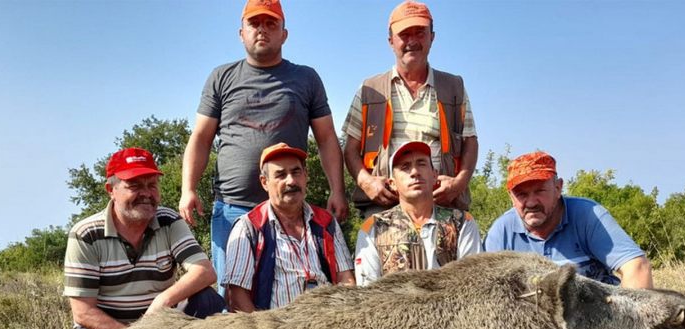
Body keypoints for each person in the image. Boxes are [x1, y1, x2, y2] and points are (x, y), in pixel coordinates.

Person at [180, 0, 347, 293]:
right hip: (232, 208)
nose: (262, 30)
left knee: (294, 292)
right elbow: (201, 138)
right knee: (232, 299)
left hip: (289, 211)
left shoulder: (306, 78)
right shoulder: (222, 77)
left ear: (284, 34)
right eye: (254, 24)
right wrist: (188, 189)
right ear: (241, 33)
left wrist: (337, 190)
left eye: (271, 24)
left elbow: (327, 138)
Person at [483, 150, 655, 329]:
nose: (531, 201)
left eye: (539, 190)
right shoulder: (501, 231)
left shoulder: (588, 215)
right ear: (511, 197)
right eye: (522, 194)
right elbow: (487, 301)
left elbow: (637, 267)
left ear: (559, 187)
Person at [64, 147, 224, 329]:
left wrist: (163, 301)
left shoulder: (169, 221)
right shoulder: (86, 234)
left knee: (207, 299)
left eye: (152, 185)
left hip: (158, 324)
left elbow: (204, 272)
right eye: (135, 186)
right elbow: (84, 313)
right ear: (111, 190)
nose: (146, 193)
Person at [342, 0, 478, 220]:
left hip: (442, 202)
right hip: (384, 205)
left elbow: (470, 141)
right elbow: (350, 148)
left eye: (420, 33)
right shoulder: (369, 89)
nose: (412, 41)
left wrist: (459, 184)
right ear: (391, 41)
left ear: (432, 37)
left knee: (456, 254)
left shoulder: (454, 87)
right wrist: (367, 183)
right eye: (404, 34)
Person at [224, 143, 355, 311]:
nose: (291, 181)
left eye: (296, 172)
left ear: (306, 175)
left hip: (326, 326)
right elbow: (236, 297)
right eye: (280, 175)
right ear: (265, 182)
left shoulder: (326, 221)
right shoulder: (248, 227)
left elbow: (345, 279)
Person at [355, 141, 481, 286]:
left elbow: (473, 285)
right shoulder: (372, 229)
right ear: (392, 183)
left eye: (421, 163)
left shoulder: (463, 222)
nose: (415, 172)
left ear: (434, 175)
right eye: (405, 167)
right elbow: (368, 292)